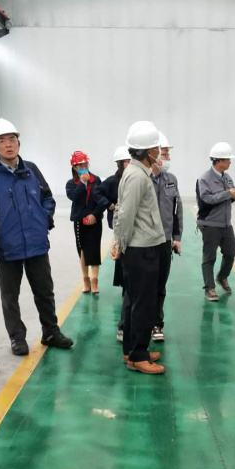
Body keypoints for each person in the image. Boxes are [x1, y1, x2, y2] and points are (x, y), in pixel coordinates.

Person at [0, 118, 74, 355]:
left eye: (12, 139)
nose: (8, 145)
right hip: (7, 246)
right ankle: (17, 337)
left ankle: (51, 331)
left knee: (45, 291)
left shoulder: (31, 169)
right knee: (10, 296)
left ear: (18, 143)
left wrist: (43, 222)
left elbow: (48, 198)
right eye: (2, 141)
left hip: (36, 243)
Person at [112, 121, 166, 375]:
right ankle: (138, 356)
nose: (159, 152)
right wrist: (121, 244)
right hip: (141, 249)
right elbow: (125, 214)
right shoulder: (136, 176)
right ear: (147, 151)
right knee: (143, 304)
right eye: (156, 148)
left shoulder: (136, 172)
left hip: (140, 247)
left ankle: (131, 351)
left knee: (135, 301)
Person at [149, 132, 183, 342]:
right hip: (144, 243)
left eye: (169, 154)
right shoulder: (141, 179)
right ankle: (130, 324)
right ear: (153, 154)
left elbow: (177, 210)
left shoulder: (171, 180)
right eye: (165, 153)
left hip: (164, 242)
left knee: (160, 286)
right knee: (141, 287)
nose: (168, 158)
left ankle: (156, 324)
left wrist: (176, 237)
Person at [196, 142, 235, 302]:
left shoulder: (227, 177)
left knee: (230, 254)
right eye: (227, 159)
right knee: (209, 257)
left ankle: (221, 277)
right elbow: (206, 199)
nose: (230, 162)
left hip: (226, 224)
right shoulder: (204, 179)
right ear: (218, 160)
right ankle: (209, 288)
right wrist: (228, 194)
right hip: (210, 224)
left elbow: (234, 195)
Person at [66, 151, 109, 294]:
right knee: (83, 251)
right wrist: (82, 183)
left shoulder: (96, 180)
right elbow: (74, 197)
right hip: (80, 221)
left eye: (85, 164)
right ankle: (86, 280)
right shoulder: (71, 183)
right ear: (74, 167)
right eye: (80, 165)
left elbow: (101, 200)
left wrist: (95, 215)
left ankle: (95, 281)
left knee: (94, 249)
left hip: (95, 221)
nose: (83, 167)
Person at [101, 146, 130, 342]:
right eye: (126, 161)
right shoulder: (113, 181)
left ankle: (126, 286)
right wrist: (110, 205)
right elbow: (98, 193)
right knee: (121, 255)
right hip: (119, 225)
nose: (129, 164)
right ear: (120, 164)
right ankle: (124, 287)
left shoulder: (135, 179)